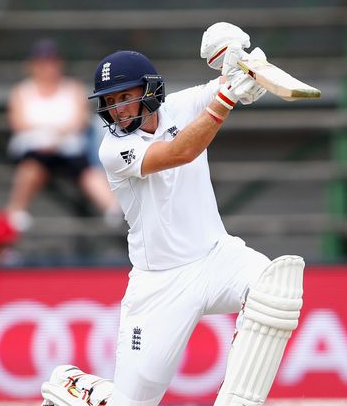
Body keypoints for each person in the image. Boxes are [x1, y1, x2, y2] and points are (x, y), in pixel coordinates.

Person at [38, 23, 305, 406]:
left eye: (125, 97)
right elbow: (179, 152)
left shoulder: (184, 104)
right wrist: (227, 97)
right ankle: (74, 385)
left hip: (217, 257)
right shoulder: (113, 151)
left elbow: (229, 86)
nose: (117, 109)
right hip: (159, 284)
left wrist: (245, 68)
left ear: (150, 90)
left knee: (275, 288)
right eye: (110, 101)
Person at [5, 39, 119, 230]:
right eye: (42, 62)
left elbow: (80, 120)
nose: (47, 67)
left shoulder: (73, 88)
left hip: (69, 150)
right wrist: (52, 133)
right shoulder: (21, 91)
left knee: (87, 173)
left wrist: (52, 134)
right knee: (31, 169)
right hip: (35, 151)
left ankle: (113, 209)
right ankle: (16, 211)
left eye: (51, 61)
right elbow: (18, 123)